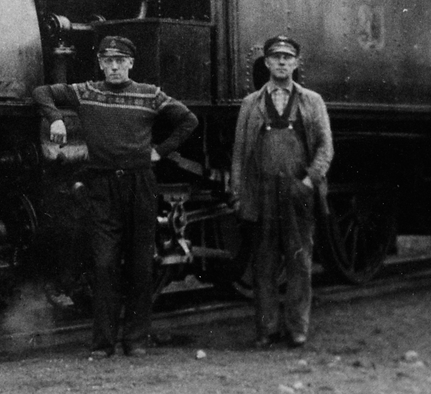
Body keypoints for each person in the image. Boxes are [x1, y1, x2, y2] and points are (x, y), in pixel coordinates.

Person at [33, 35, 199, 357]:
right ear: (100, 63)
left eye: (120, 61)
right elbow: (42, 92)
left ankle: (135, 341)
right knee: (104, 264)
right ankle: (103, 344)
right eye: (107, 61)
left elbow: (188, 120)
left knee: (140, 266)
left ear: (131, 63)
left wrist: (161, 151)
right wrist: (56, 118)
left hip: (140, 185)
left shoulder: (150, 94)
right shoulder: (86, 92)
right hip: (102, 187)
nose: (113, 67)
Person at [231, 35, 334, 349]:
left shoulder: (311, 101)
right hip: (261, 193)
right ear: (266, 63)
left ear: (296, 63)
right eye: (275, 57)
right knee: (263, 264)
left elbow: (325, 148)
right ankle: (266, 330)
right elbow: (239, 153)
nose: (281, 62)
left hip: (297, 191)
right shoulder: (251, 104)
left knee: (299, 262)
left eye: (287, 58)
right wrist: (238, 193)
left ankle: (297, 328)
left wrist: (309, 182)